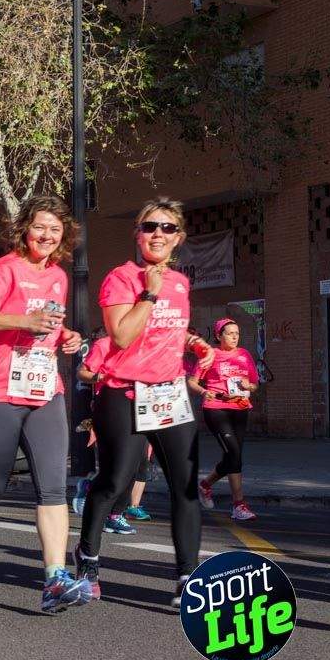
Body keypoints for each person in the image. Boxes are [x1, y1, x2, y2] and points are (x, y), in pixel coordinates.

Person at [0, 196, 93, 612]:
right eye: (40, 227)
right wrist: (23, 322)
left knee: (51, 486)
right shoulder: (2, 270)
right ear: (24, 229)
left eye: (55, 230)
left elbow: (50, 325)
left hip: (44, 391)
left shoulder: (59, 278)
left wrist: (66, 337)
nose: (47, 236)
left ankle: (54, 580)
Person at [75, 198, 214, 608]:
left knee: (184, 488)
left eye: (167, 228)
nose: (158, 234)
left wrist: (191, 342)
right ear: (137, 234)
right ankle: (88, 557)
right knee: (115, 482)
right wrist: (148, 295)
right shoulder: (121, 278)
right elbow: (121, 336)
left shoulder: (181, 283)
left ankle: (187, 577)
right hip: (123, 391)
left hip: (170, 393)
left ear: (179, 238)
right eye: (150, 226)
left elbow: (169, 331)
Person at [75, 329, 148, 533]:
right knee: (118, 467)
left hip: (142, 409)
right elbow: (82, 372)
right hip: (112, 408)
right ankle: (92, 490)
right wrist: (100, 376)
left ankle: (115, 515)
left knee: (138, 465)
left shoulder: (143, 345)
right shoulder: (104, 344)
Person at [190, 318, 260, 521]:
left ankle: (205, 485)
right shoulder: (210, 354)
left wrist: (249, 386)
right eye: (230, 333)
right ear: (219, 335)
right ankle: (239, 504)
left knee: (234, 456)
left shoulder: (244, 355)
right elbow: (193, 382)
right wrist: (204, 391)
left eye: (237, 333)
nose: (235, 337)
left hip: (240, 407)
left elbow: (255, 384)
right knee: (233, 452)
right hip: (216, 408)